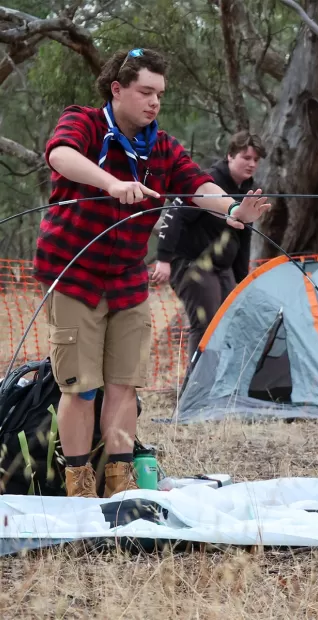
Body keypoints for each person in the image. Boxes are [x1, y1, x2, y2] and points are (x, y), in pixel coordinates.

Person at [33, 48, 269, 498]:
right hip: (74, 273)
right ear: (117, 90)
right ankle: (79, 487)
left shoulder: (161, 146)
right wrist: (110, 182)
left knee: (124, 385)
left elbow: (198, 185)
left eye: (159, 93)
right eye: (145, 92)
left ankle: (121, 485)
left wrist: (234, 208)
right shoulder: (82, 121)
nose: (154, 102)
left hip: (126, 279)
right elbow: (60, 155)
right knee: (81, 389)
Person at [151, 132, 266, 373]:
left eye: (256, 159)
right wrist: (163, 259)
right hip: (191, 262)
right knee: (207, 324)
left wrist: (241, 281)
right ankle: (195, 396)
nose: (252, 164)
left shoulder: (249, 190)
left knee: (230, 322)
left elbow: (243, 237)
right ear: (230, 155)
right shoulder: (209, 181)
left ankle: (220, 390)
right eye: (246, 157)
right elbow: (174, 216)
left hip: (221, 267)